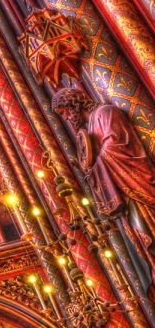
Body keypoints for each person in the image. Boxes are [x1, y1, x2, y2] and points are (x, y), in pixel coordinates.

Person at [53, 88, 155, 281]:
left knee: (145, 227)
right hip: (123, 191)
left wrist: (94, 167)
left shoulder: (105, 113)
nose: (66, 117)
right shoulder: (89, 127)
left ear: (73, 104)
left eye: (64, 111)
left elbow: (116, 147)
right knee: (137, 237)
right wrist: (90, 171)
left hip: (135, 184)